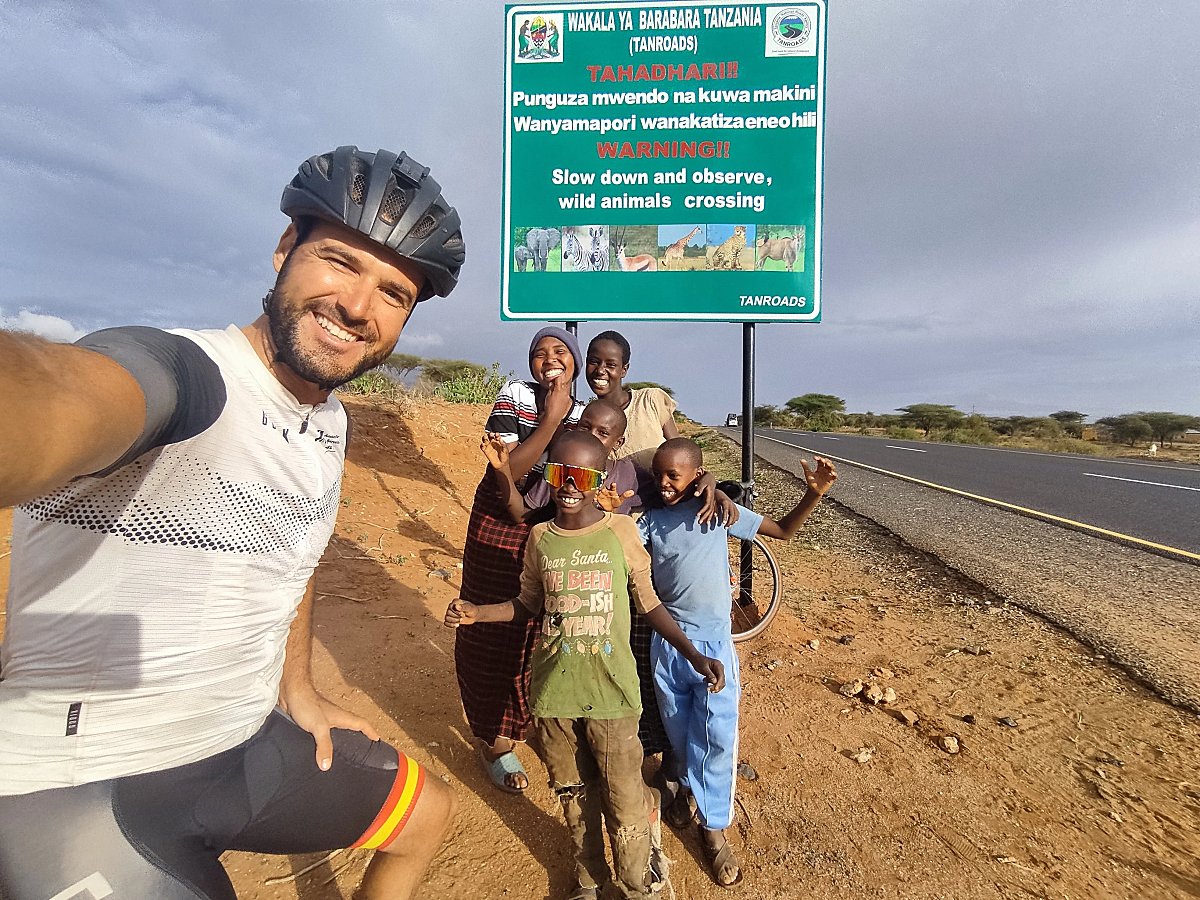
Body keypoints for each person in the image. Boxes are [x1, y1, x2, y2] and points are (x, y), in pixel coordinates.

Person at [0, 146, 464, 899]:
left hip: (240, 746)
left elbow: (293, 555)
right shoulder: (189, 377)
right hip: (85, 780)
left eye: (393, 293)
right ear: (285, 248)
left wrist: (299, 688)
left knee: (426, 814)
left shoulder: (329, 420)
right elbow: (59, 401)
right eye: (339, 262)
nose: (357, 306)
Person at [445, 431, 724, 900]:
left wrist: (695, 655)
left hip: (613, 696)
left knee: (624, 797)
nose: (568, 486)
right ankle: (590, 877)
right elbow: (527, 603)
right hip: (554, 696)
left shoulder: (621, 532)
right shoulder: (540, 537)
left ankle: (637, 883)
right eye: (559, 473)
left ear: (599, 479)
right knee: (575, 796)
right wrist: (478, 612)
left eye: (581, 476)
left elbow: (650, 604)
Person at [639, 438, 838, 889]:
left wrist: (814, 493)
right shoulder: (650, 521)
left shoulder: (720, 513)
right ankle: (688, 788)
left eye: (675, 475)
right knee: (681, 728)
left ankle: (713, 829)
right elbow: (622, 545)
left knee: (718, 734)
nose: (665, 483)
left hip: (713, 648)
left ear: (697, 473)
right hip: (668, 646)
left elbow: (783, 532)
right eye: (659, 475)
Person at [454, 326, 585, 793]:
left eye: (559, 352)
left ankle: (521, 717)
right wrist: (550, 421)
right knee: (491, 627)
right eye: (539, 353)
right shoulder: (516, 395)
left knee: (536, 627)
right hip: (498, 518)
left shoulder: (589, 414)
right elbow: (506, 472)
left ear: (575, 362)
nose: (549, 359)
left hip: (551, 521)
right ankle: (494, 739)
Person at [584, 330, 679, 471]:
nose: (600, 370)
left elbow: (681, 451)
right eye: (594, 362)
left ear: (624, 369)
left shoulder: (649, 401)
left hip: (660, 492)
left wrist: (705, 476)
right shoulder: (587, 420)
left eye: (610, 365)